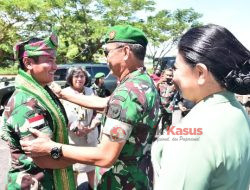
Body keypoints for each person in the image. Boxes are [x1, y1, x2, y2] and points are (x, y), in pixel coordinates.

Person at [21, 25, 160, 189]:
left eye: (107, 52)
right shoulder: (143, 82)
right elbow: (106, 103)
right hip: (140, 177)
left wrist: (51, 148)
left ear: (125, 52)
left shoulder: (128, 92)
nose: (106, 59)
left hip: (121, 183)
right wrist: (62, 94)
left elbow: (105, 156)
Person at [152, 24, 250, 190]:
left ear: (200, 73)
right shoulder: (237, 111)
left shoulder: (193, 133)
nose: (173, 76)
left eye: (176, 68)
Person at [0, 34, 76, 189]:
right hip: (33, 184)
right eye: (49, 60)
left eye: (55, 60)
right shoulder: (26, 104)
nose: (56, 67)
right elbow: (46, 158)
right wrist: (96, 156)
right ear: (28, 62)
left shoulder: (43, 93)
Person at [61, 66, 100, 189]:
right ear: (70, 78)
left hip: (90, 137)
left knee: (91, 168)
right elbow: (60, 115)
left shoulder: (90, 92)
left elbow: (99, 111)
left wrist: (93, 126)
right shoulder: (64, 93)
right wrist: (74, 128)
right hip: (73, 139)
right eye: (76, 76)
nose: (79, 79)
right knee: (74, 169)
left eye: (82, 76)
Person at [155, 68, 176, 134]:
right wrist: (159, 82)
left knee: (167, 125)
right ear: (163, 75)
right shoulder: (160, 83)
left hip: (169, 108)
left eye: (171, 75)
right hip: (159, 107)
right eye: (167, 75)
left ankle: (164, 138)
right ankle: (150, 138)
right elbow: (154, 90)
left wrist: (175, 83)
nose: (169, 77)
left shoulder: (173, 85)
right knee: (154, 124)